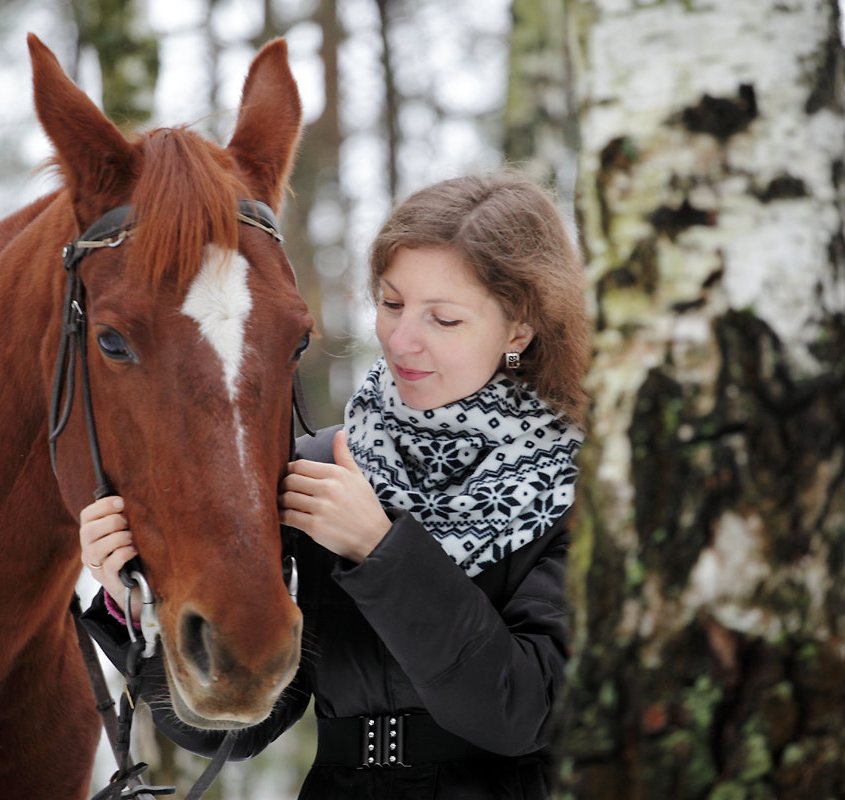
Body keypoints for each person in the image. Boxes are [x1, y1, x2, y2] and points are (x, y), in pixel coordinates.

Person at [78, 170, 591, 799]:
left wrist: (381, 552)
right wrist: (136, 604)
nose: (402, 340)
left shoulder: (577, 487)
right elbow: (234, 728)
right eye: (392, 302)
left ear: (519, 330)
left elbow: (525, 713)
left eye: (445, 319)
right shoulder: (326, 465)